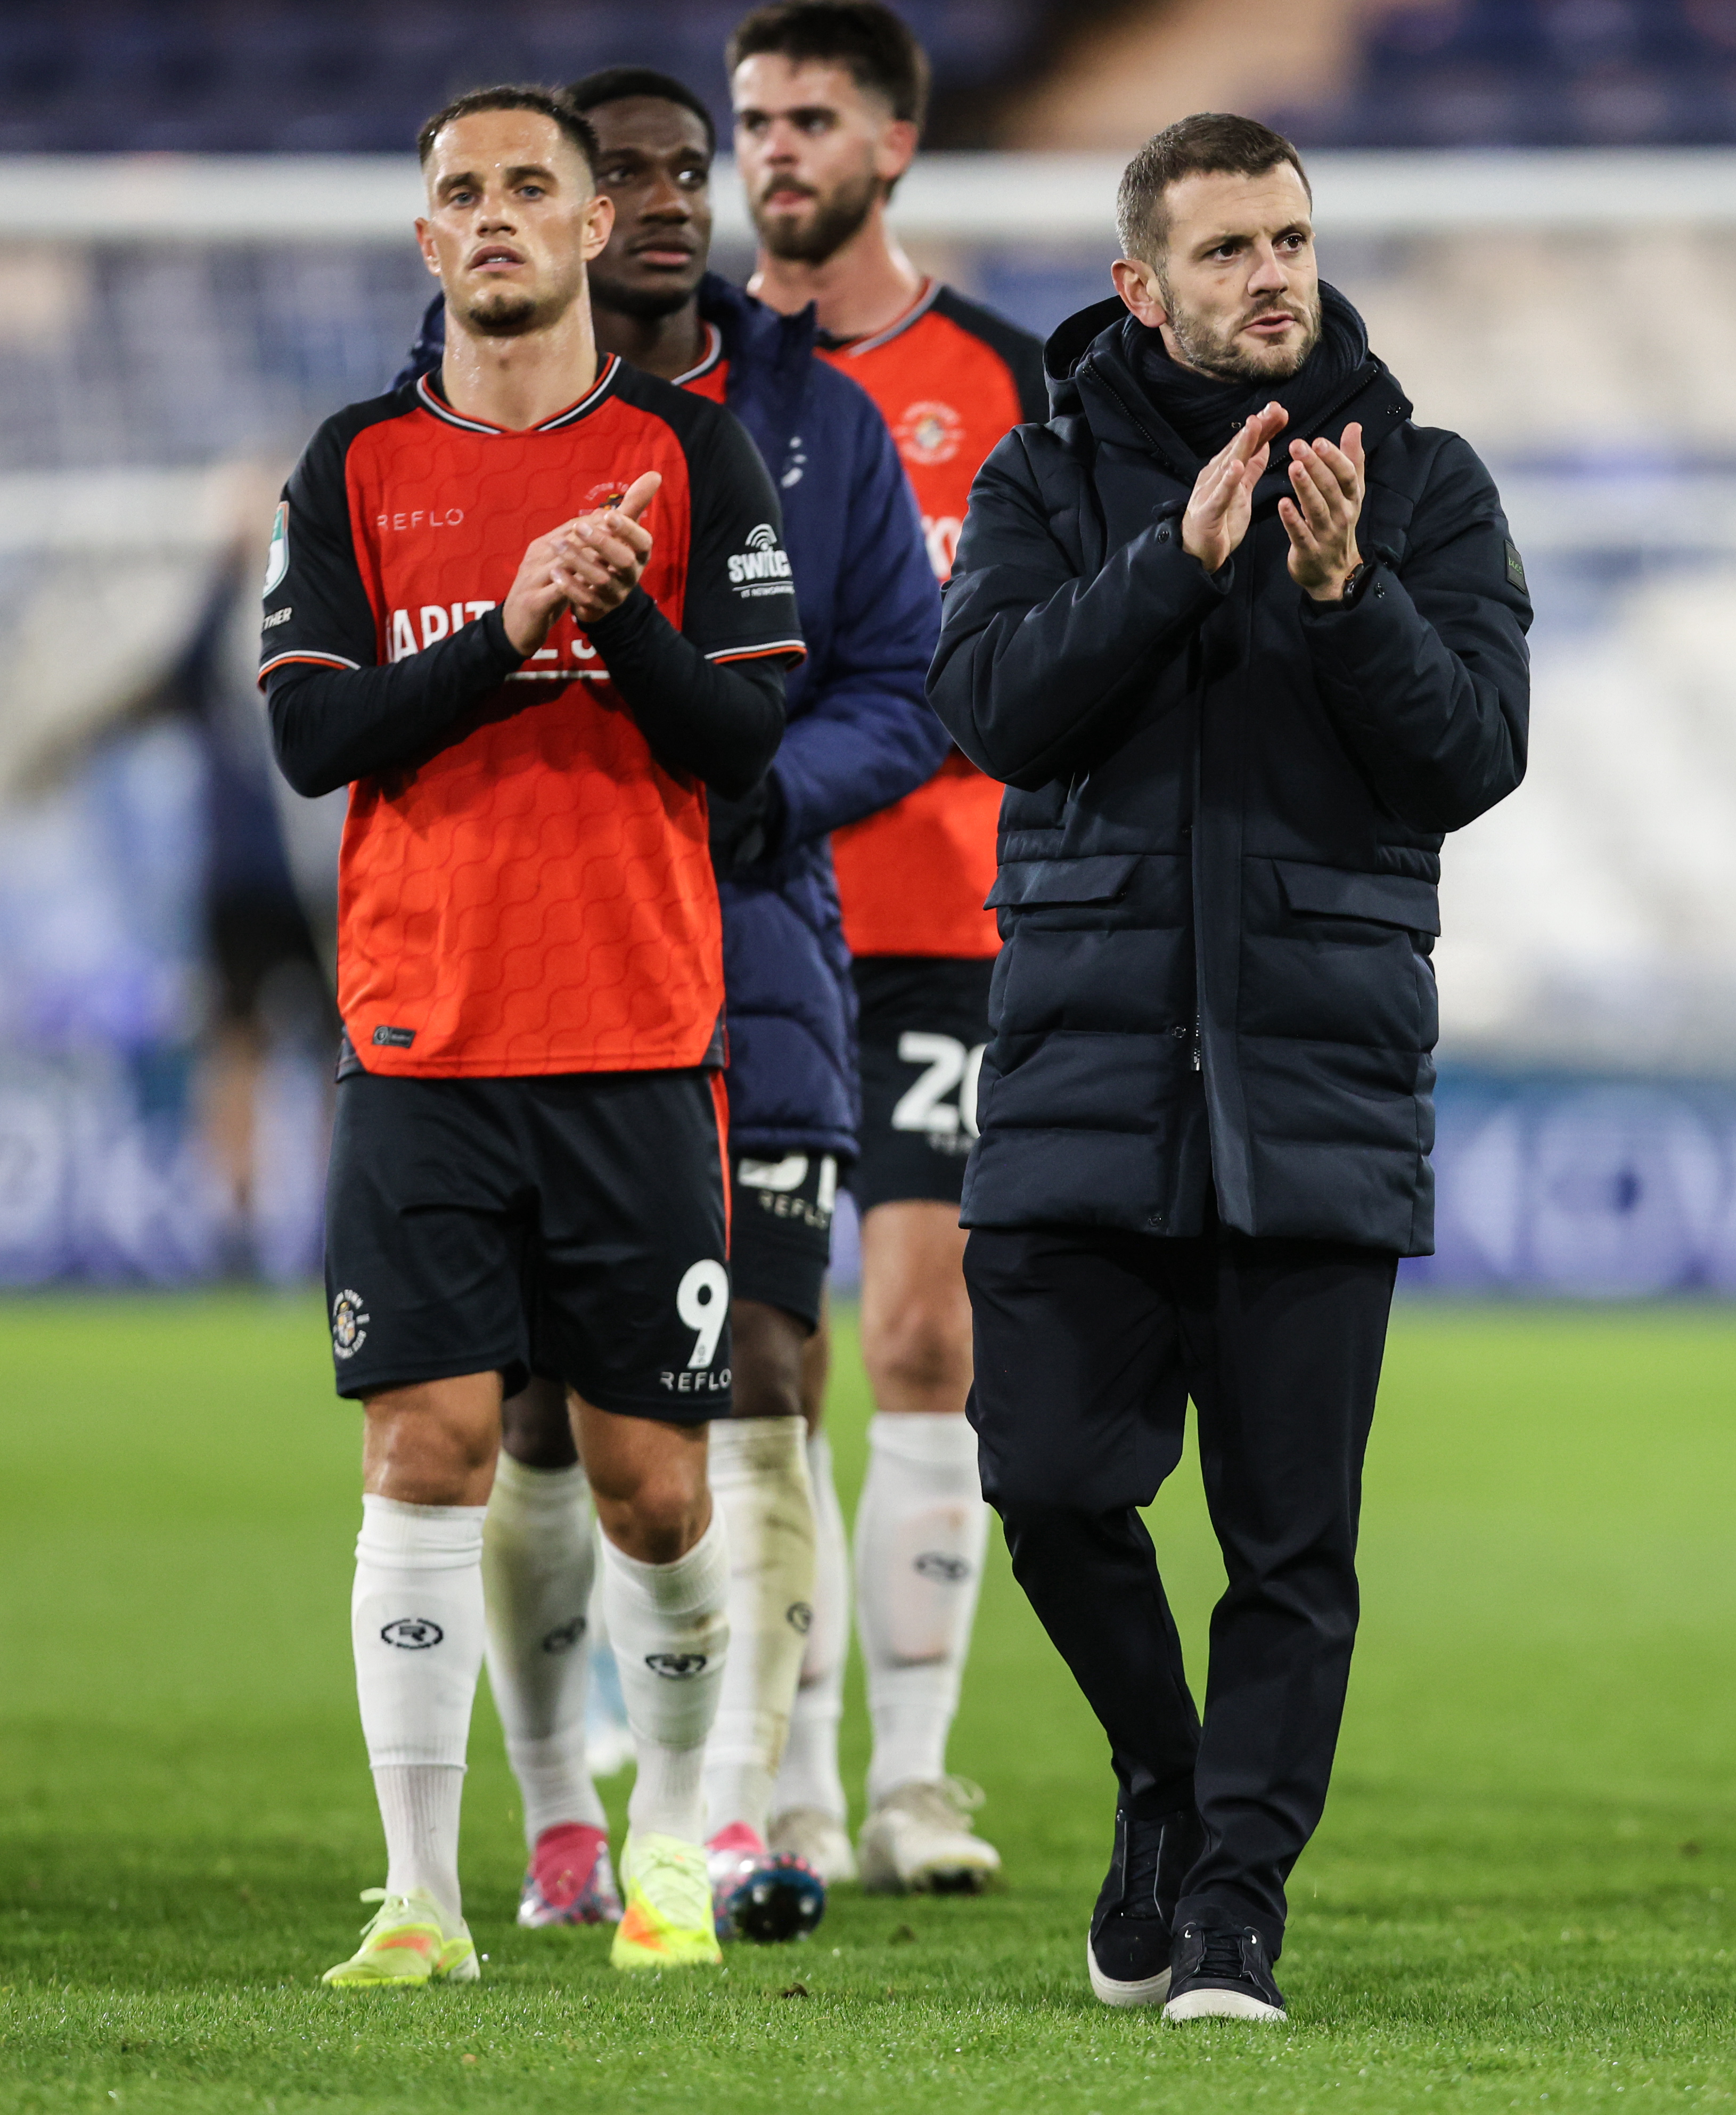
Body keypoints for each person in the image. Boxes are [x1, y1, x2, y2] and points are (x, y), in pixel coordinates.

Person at [930, 113, 1530, 2023]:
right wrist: (1172, 571)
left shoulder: (1420, 480)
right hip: (1080, 1073)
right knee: (1035, 1479)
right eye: (1224, 250)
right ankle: (1166, 1781)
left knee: (1291, 1547)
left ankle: (1236, 1907)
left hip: (1316, 1087)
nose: (1271, 273)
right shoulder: (1042, 476)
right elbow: (994, 708)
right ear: (1140, 284)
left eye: (1288, 237)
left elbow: (1474, 755)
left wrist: (1350, 603)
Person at [392, 66, 947, 1945]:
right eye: (607, 172)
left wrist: (762, 797)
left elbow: (905, 681)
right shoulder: (431, 416)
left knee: (774, 1367)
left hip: (756, 959)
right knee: (543, 1417)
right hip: (529, 975)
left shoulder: (810, 423)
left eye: (676, 171)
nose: (650, 200)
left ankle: (760, 1799)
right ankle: (563, 1808)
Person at [261, 84, 803, 1983]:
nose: (493, 218)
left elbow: (745, 743)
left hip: (635, 1040)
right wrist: (505, 628)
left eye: (528, 191)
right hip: (420, 1043)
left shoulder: (692, 458)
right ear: (428, 245)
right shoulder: (348, 466)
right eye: (459, 195)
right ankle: (422, 1892)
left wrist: (612, 610)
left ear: (595, 232)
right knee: (421, 1452)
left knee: (657, 1482)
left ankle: (664, 1843)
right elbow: (316, 737)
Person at [726, 0, 1049, 1897]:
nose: (775, 148)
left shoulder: (1001, 379)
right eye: (753, 117)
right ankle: (773, 1775)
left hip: (938, 928)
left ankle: (915, 1774)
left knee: (927, 1329)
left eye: (811, 117)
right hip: (748, 926)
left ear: (896, 143)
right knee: (759, 1354)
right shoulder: (692, 387)